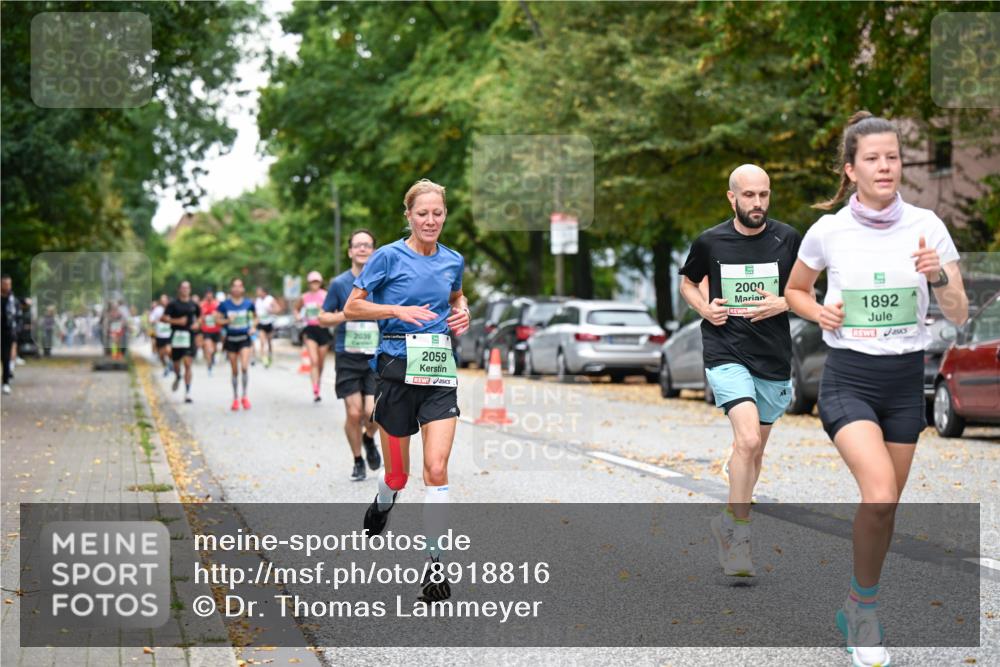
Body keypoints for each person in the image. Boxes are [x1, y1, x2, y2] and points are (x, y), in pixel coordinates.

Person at [785, 111, 968, 667]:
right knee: (881, 493)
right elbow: (796, 290)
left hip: (904, 380)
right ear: (851, 168)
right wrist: (821, 311)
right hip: (849, 379)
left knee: (884, 510)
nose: (886, 166)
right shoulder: (829, 230)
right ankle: (866, 615)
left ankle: (856, 600)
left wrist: (937, 275)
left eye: (893, 157)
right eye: (873, 158)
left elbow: (958, 314)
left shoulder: (928, 225)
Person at [344, 179, 470, 603]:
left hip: (438, 371)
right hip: (396, 372)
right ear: (409, 216)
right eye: (422, 214)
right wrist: (395, 309)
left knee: (436, 470)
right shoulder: (387, 257)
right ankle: (383, 503)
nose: (430, 221)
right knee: (398, 475)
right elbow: (353, 307)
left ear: (444, 214)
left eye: (437, 213)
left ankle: (436, 566)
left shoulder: (453, 260)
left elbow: (456, 297)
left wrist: (462, 312)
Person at [679, 164, 802, 578]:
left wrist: (782, 303)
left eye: (764, 195)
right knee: (746, 438)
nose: (758, 204)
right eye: (749, 195)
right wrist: (704, 308)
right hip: (725, 348)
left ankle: (728, 522)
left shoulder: (787, 239)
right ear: (732, 197)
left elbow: (807, 292)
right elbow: (687, 283)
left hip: (773, 357)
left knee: (753, 450)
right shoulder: (711, 242)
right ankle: (740, 539)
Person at [319, 229, 383, 481]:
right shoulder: (339, 284)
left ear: (374, 251)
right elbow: (323, 318)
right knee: (354, 413)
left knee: (374, 412)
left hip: (375, 356)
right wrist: (348, 313)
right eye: (358, 245)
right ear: (350, 251)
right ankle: (358, 461)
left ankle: (369, 439)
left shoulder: (381, 282)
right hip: (347, 355)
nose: (363, 249)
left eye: (367, 245)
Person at [217, 278, 257, 411]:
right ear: (231, 289)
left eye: (240, 286)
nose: (237, 289)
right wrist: (227, 320)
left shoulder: (248, 304)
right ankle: (235, 398)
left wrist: (253, 327)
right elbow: (216, 320)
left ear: (243, 289)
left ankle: (244, 396)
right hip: (231, 339)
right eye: (235, 286)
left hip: (244, 338)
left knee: (244, 367)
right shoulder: (225, 305)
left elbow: (256, 317)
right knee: (234, 370)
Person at [162, 281, 201, 403]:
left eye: (187, 288)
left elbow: (200, 317)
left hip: (189, 337)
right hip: (176, 337)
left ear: (190, 289)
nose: (185, 290)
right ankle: (178, 376)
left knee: (188, 364)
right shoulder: (173, 304)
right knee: (177, 364)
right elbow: (163, 318)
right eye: (183, 288)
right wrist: (177, 321)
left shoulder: (194, 304)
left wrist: (197, 324)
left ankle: (188, 392)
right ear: (179, 289)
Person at [296, 271, 331, 402]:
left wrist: (323, 309)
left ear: (320, 282)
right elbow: (296, 309)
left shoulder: (326, 295)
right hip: (310, 330)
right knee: (314, 361)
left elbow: (333, 310)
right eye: (312, 282)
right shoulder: (304, 297)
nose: (314, 284)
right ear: (309, 283)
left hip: (323, 329)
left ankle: (318, 382)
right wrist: (298, 316)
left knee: (321, 363)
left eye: (316, 281)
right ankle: (315, 389)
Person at [254, 286, 278, 368]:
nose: (257, 293)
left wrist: (271, 310)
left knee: (269, 342)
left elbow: (278, 309)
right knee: (262, 342)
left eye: (259, 291)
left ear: (264, 292)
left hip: (269, 323)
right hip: (261, 324)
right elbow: (256, 314)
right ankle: (264, 360)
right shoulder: (257, 301)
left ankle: (270, 356)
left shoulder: (270, 299)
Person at [199, 289, 222, 375]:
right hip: (206, 331)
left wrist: (217, 315)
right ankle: (209, 366)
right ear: (205, 295)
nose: (209, 296)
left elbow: (222, 315)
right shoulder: (201, 305)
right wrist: (202, 318)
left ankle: (212, 358)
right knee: (209, 349)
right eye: (207, 294)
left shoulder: (217, 304)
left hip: (216, 330)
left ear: (212, 295)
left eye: (210, 294)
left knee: (214, 349)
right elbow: (199, 317)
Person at [150, 294, 173, 377]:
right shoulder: (157, 310)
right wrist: (156, 320)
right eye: (161, 300)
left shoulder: (172, 308)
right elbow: (151, 319)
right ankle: (166, 367)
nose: (163, 302)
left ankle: (171, 362)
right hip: (160, 335)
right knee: (161, 355)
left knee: (168, 350)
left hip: (169, 334)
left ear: (167, 300)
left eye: (165, 300)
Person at [1, 275, 16, 394]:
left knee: (6, 358)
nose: (7, 286)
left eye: (9, 284)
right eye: (5, 284)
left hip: (7, 332)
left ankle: (5, 383)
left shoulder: (12, 298)